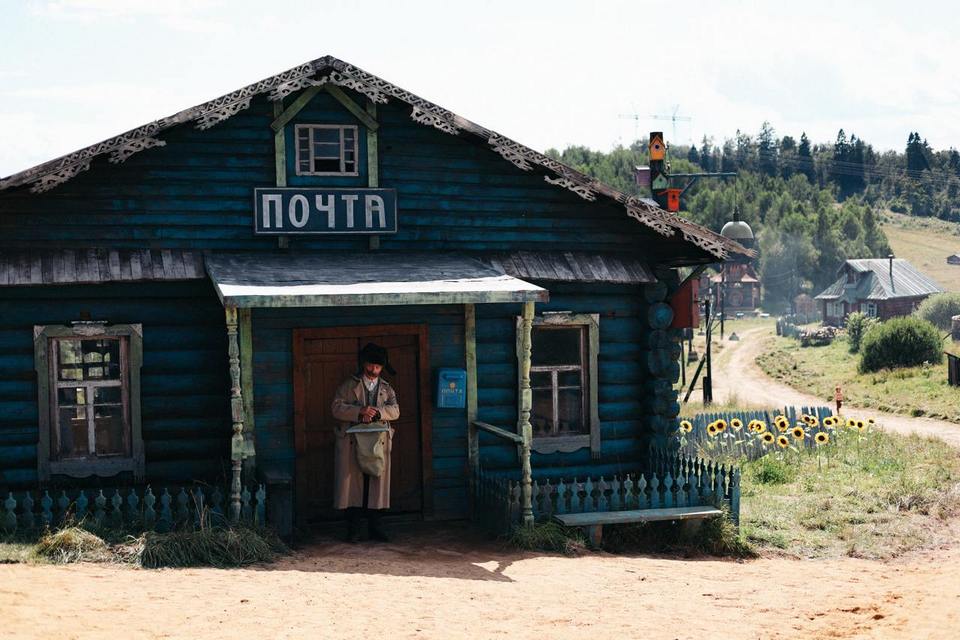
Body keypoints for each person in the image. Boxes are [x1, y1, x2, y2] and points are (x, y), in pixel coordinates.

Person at [331, 342, 400, 543]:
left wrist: (379, 413)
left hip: (378, 442)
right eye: (370, 365)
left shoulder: (386, 388)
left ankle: (375, 528)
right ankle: (353, 530)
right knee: (352, 486)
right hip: (353, 441)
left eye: (377, 367)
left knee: (376, 486)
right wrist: (359, 411)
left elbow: (395, 410)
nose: (373, 370)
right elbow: (335, 408)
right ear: (363, 364)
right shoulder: (348, 386)